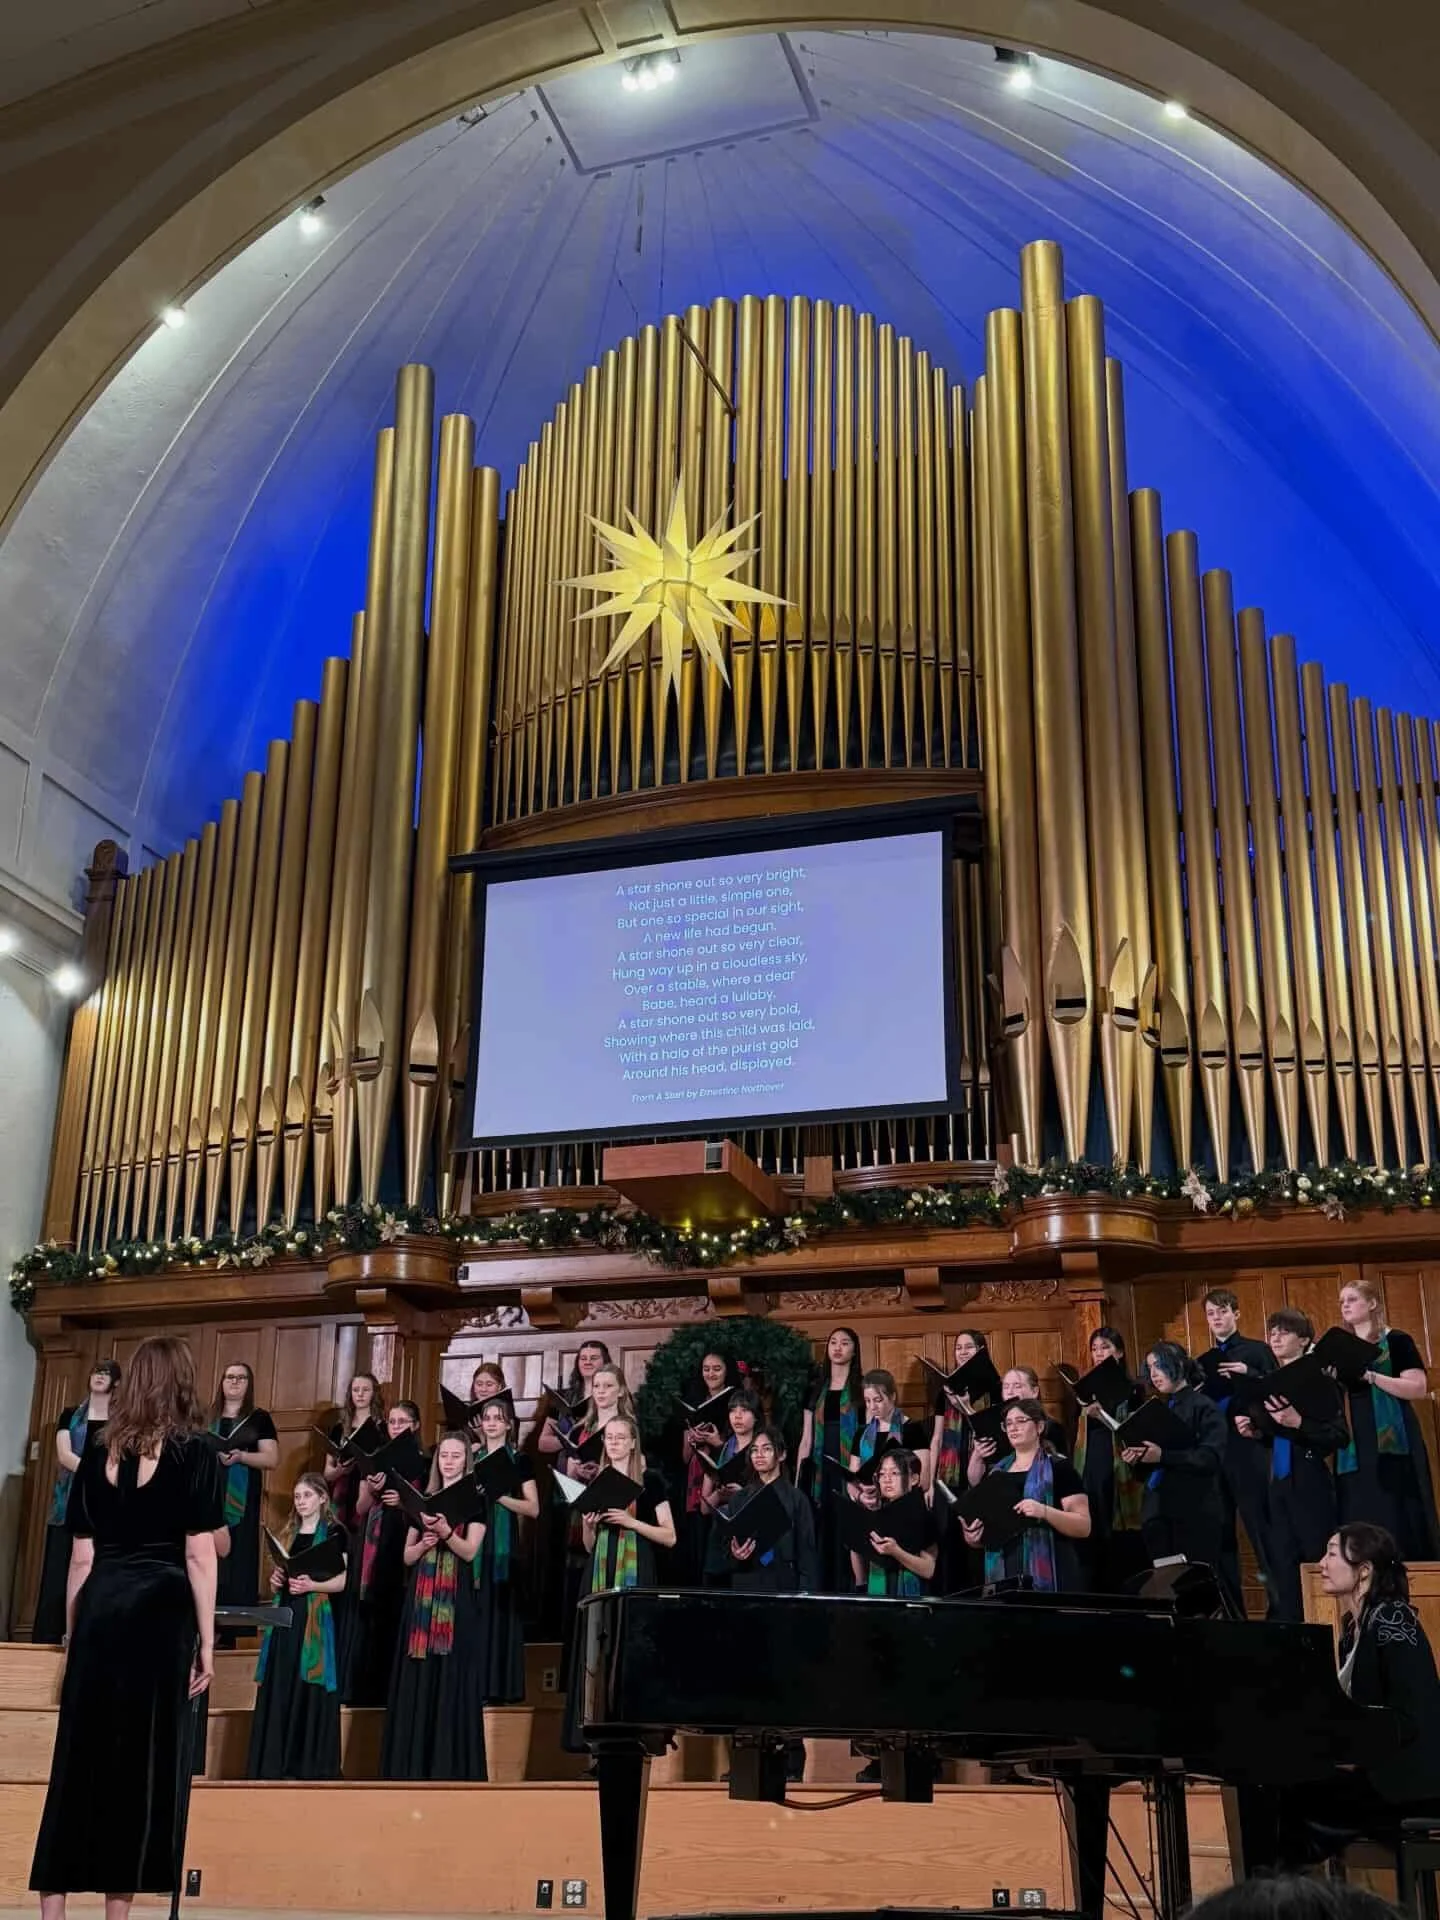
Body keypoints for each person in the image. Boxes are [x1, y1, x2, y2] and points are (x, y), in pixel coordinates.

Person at [30, 1335, 221, 1919]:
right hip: (160, 1615)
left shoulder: (96, 1451)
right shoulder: (198, 1452)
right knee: (141, 1766)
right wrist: (208, 1643)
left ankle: (53, 1911)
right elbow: (200, 1556)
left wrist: (73, 1635)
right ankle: (118, 1914)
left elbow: (80, 1558)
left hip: (100, 1608)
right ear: (182, 1381)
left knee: (76, 1760)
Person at [561, 1417, 675, 1756]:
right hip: (600, 1571)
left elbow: (669, 1536)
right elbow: (588, 1546)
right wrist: (588, 1525)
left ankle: (634, 1737)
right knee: (597, 1652)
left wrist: (631, 1522)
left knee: (630, 1649)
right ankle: (596, 1743)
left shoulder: (650, 1481)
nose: (613, 1442)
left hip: (636, 1571)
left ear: (632, 1443)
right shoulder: (597, 1483)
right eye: (609, 1437)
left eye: (620, 1437)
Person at [381, 1430, 487, 1781]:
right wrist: (425, 1543)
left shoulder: (476, 1500)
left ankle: (448, 1765)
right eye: (444, 1455)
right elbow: (407, 1557)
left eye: (456, 1456)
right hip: (421, 1601)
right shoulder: (422, 1500)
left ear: (466, 1461)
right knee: (418, 1672)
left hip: (455, 1599)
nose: (449, 1461)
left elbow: (469, 1552)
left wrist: (446, 1534)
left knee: (451, 1675)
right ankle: (412, 1765)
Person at [1233, 1309, 1346, 1624]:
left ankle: (1327, 1631)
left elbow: (1339, 1436)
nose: (1276, 1337)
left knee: (1316, 1563)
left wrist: (1299, 1422)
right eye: (1272, 1332)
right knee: (1283, 1569)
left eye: (1284, 1332)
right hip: (1278, 1484)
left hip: (1310, 1483)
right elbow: (1278, 1436)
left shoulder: (1319, 1381)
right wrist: (1256, 1431)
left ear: (1304, 1340)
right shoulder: (1270, 1382)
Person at [246, 1473, 347, 1780]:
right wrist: (276, 1579)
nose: (301, 1502)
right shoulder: (289, 1532)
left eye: (307, 1495)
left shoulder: (334, 1533)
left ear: (323, 1498)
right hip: (285, 1616)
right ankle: (275, 1764)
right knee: (282, 1679)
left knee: (307, 1684)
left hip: (312, 1616)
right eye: (297, 1496)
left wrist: (313, 1585)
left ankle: (307, 1763)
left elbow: (342, 1581)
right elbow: (278, 1577)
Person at [1333, 1279, 1440, 1560]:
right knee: (1359, 1509)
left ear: (1372, 1303)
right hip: (1353, 1439)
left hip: (1391, 1435)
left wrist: (1372, 1376)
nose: (1345, 1305)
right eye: (1342, 1301)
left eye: (1352, 1299)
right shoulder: (1339, 1347)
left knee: (1397, 1509)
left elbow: (1417, 1387)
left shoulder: (1396, 1340)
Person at [345, 1400, 427, 1707]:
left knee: (396, 1607)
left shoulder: (425, 1461)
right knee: (370, 1610)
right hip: (375, 1539)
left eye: (403, 1422)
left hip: (405, 1535)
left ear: (415, 1426)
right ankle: (364, 1689)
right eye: (392, 1422)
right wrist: (371, 1488)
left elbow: (428, 1509)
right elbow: (359, 1508)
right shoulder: (376, 1458)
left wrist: (403, 1503)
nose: (396, 1427)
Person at [961, 1398, 1091, 1592]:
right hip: (1005, 1575)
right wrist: (974, 1537)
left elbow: (1083, 1526)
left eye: (1021, 1421)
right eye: (1008, 1424)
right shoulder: (996, 1474)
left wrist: (1043, 1511)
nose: (1013, 1428)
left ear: (1039, 1427)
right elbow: (988, 1532)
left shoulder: (1059, 1468)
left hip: (1052, 1569)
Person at [1199, 1288, 1276, 1609]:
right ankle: (1232, 1614)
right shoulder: (1204, 1361)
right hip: (1216, 1453)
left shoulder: (1257, 1351)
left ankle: (1280, 1610)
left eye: (1222, 1311)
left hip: (1249, 1450)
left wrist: (1248, 1373)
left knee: (1262, 1530)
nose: (1217, 1318)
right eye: (1211, 1314)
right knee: (1220, 1538)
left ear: (1236, 1314)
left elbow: (1277, 1388)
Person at [34, 1359, 120, 1644]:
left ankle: (88, 1633)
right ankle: (50, 1634)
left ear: (116, 1382)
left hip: (106, 1499)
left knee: (94, 1565)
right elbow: (64, 1454)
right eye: (96, 1371)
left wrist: (104, 1475)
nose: (99, 1376)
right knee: (60, 1564)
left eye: (106, 1373)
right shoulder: (71, 1414)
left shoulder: (121, 1418)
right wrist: (94, 1471)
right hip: (69, 1496)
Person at [1122, 1341, 1227, 1573]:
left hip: (1193, 1512)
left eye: (1159, 1365)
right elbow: (1151, 1468)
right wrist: (1137, 1459)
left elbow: (1209, 1458)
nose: (1154, 1374)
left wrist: (1163, 1456)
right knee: (1165, 1583)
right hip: (1157, 1512)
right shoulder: (1157, 1409)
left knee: (1195, 1583)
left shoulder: (1204, 1406)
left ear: (1179, 1364)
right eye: (1150, 1367)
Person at [471, 1394, 540, 1705]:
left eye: (498, 1419)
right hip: (474, 1536)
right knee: (476, 1608)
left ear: (509, 1425)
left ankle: (499, 1686)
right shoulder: (472, 1458)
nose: (491, 1423)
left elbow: (533, 1508)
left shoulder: (519, 1460)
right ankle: (474, 1684)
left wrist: (500, 1497)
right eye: (487, 1418)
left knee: (500, 1609)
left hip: (503, 1543)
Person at [1070, 1327, 1147, 1592]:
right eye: (1095, 1349)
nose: (1099, 1353)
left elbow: (1133, 1432)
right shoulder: (1086, 1389)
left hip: (1121, 1465)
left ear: (1120, 1352)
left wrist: (1101, 1415)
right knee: (1093, 1529)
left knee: (1119, 1538)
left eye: (1105, 1347)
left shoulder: (1133, 1389)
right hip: (1091, 1462)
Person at [208, 1360, 279, 1637]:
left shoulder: (259, 1418)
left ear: (249, 1385)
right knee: (209, 1556)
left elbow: (272, 1458)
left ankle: (234, 1631)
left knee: (239, 1558)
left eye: (241, 1378)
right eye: (229, 1377)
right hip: (210, 1494)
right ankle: (206, 1625)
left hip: (242, 1499)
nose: (234, 1382)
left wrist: (242, 1456)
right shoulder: (208, 1417)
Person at [796, 1325, 865, 1592]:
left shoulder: (861, 1388)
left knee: (848, 1530)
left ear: (854, 1350)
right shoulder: (815, 1389)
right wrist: (798, 1480)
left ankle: (851, 1589)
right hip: (821, 1469)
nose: (837, 1347)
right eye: (833, 1342)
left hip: (851, 1468)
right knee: (822, 1529)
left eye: (845, 1343)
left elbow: (867, 1434)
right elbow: (806, 1439)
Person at [722, 1428, 818, 1593]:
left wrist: (805, 1597)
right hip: (747, 1584)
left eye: (766, 1449)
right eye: (754, 1450)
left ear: (782, 1455)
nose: (759, 1455)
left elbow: (807, 1555)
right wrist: (735, 1554)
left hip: (784, 1586)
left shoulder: (797, 1499)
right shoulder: (739, 1499)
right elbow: (725, 1549)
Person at [678, 1350, 739, 1582]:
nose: (711, 1374)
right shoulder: (694, 1404)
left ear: (727, 1371)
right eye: (706, 1369)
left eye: (717, 1368)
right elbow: (685, 1457)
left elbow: (739, 1452)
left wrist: (716, 1443)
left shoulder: (736, 1404)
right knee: (696, 1546)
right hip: (695, 1480)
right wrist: (692, 1440)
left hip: (722, 1481)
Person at [848, 1449, 936, 1595]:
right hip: (878, 1595)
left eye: (894, 1473)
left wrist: (896, 1552)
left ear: (914, 1479)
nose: (886, 1479)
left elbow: (929, 1569)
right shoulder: (876, 1514)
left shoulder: (923, 1516)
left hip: (910, 1597)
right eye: (882, 1474)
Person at [966, 1364, 1065, 1486]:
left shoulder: (1052, 1428)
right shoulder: (992, 1426)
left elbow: (1061, 1475)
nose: (1010, 1392)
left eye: (1017, 1386)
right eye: (1006, 1387)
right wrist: (977, 1455)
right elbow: (975, 1482)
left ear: (1034, 1391)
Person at [322, 1371, 383, 1533]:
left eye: (366, 1390)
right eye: (356, 1390)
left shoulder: (381, 1428)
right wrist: (339, 1470)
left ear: (374, 1393)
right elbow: (327, 1473)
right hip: (342, 1490)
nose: (360, 1394)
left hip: (369, 1492)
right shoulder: (339, 1428)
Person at [701, 1387, 760, 1519]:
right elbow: (704, 1509)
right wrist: (718, 1495)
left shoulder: (763, 1453)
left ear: (756, 1416)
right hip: (720, 1526)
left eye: (744, 1410)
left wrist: (741, 1495)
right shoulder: (719, 1453)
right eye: (733, 1410)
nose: (737, 1416)